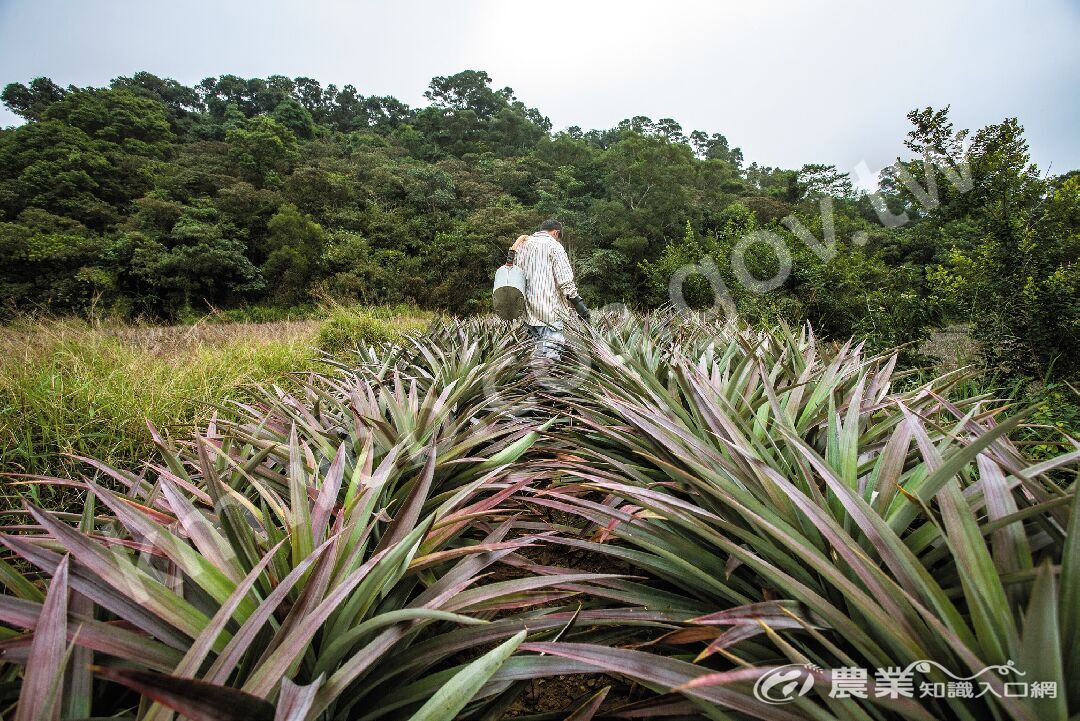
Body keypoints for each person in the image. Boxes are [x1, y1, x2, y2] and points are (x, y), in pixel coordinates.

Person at [504, 219, 590, 360]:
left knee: (537, 353)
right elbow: (564, 280)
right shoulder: (553, 246)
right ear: (556, 233)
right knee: (552, 355)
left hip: (528, 311)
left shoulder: (522, 245)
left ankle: (535, 380)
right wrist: (577, 302)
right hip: (549, 310)